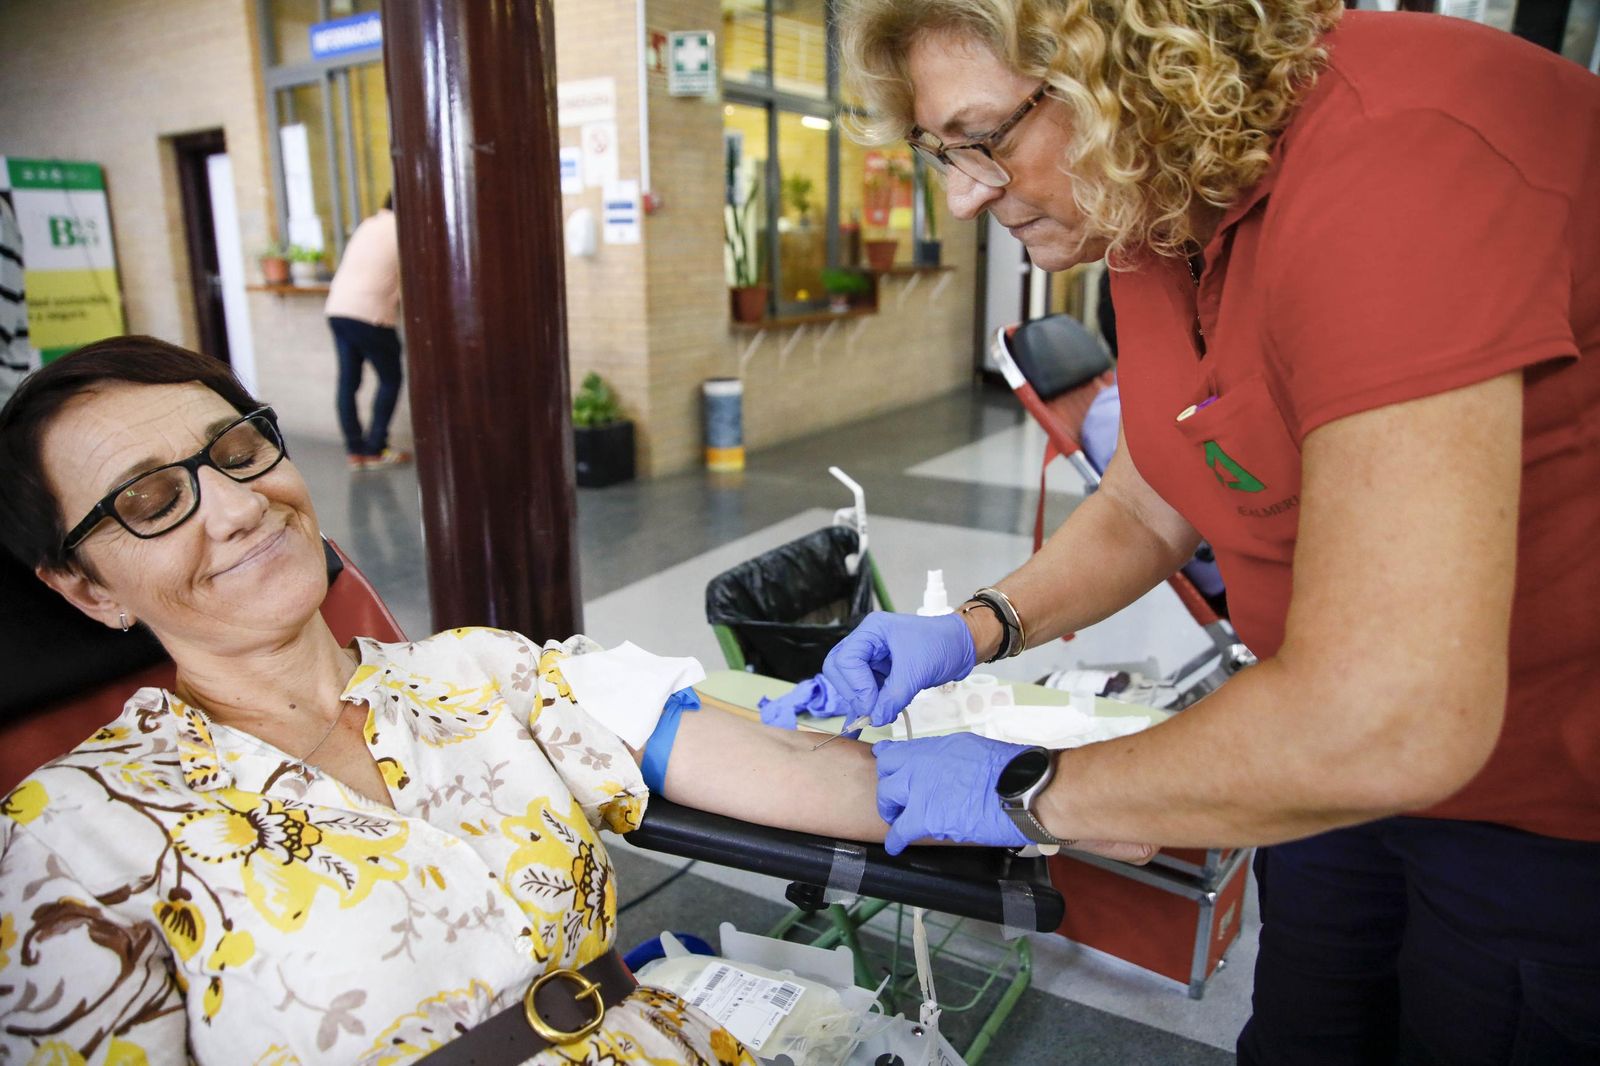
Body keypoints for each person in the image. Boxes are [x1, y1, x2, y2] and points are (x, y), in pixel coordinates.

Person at [830, 2, 1599, 1062]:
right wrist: (977, 627)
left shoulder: (1399, 159)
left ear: (1128, 66)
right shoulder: (1156, 205)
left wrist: (1030, 791)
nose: (963, 195)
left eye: (985, 141)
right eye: (939, 153)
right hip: (1328, 773)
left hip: (1552, 812)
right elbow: (1158, 495)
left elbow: (1391, 715)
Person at [0, 337, 892, 1063]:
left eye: (238, 451)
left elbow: (786, 766)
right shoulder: (71, 839)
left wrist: (1015, 787)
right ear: (88, 591)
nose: (238, 506)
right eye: (151, 500)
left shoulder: (473, 671)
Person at [325, 193, 409, 470]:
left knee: (348, 381)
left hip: (337, 309)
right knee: (390, 378)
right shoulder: (403, 229)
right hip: (370, 314)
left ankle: (355, 450)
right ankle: (375, 448)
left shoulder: (367, 225)